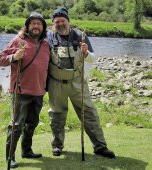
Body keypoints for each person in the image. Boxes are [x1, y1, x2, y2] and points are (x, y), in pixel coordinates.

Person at [47, 7, 115, 158]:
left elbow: (92, 59)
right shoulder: (49, 37)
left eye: (62, 20)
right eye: (56, 21)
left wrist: (85, 52)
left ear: (68, 21)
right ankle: (57, 146)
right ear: (53, 24)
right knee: (56, 116)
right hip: (56, 84)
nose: (60, 24)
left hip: (78, 83)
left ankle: (100, 146)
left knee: (89, 113)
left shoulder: (81, 36)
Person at [0, 12, 50, 168]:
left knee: (32, 123)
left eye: (39, 23)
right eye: (33, 23)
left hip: (39, 91)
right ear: (27, 26)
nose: (36, 26)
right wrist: (14, 57)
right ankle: (10, 157)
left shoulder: (46, 44)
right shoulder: (18, 41)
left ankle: (26, 151)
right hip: (20, 91)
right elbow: (0, 59)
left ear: (43, 27)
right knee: (16, 125)